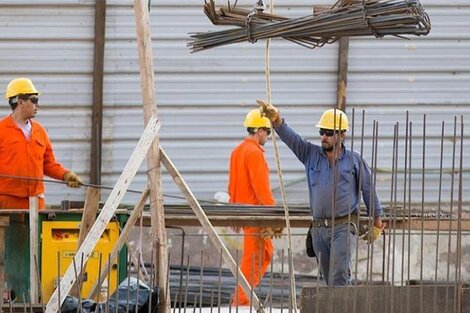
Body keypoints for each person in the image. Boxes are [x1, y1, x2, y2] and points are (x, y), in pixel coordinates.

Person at [258, 100, 385, 286]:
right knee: (328, 280)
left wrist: (377, 222)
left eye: (329, 133)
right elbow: (292, 138)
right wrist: (276, 119)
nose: (324, 137)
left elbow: (368, 190)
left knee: (340, 277)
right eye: (321, 132)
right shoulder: (310, 155)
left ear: (342, 135)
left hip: (343, 226)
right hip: (319, 230)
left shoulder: (354, 161)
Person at [0, 77, 83, 210]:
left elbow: (48, 164)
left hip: (36, 202)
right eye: (34, 100)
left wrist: (66, 175)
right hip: (7, 202)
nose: (37, 105)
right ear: (21, 102)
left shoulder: (40, 131)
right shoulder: (1, 130)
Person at [228, 109, 280, 305]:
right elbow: (262, 189)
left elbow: (232, 184)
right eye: (267, 131)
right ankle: (241, 302)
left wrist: (234, 213)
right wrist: (274, 217)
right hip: (257, 215)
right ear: (259, 130)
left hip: (243, 213)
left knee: (254, 257)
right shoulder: (254, 154)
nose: (267, 136)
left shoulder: (237, 151)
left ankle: (241, 299)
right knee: (257, 258)